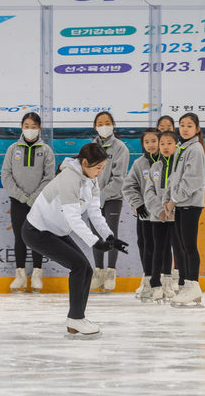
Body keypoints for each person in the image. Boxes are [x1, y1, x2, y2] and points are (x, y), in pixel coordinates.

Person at [22, 143, 129, 338]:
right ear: (85, 162)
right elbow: (73, 217)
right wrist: (95, 242)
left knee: (85, 268)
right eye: (98, 167)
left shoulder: (90, 179)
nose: (100, 172)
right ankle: (76, 319)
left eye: (103, 168)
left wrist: (109, 236)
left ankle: (76, 320)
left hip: (56, 230)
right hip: (37, 231)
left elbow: (95, 212)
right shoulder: (69, 178)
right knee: (79, 265)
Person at [1, 112, 55, 293]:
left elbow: (49, 177)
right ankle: (20, 275)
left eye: (33, 126)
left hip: (39, 202)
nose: (29, 130)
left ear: (39, 128)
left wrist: (35, 198)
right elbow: (6, 175)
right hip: (18, 201)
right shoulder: (12, 149)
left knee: (37, 238)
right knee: (20, 238)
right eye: (26, 126)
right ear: (21, 127)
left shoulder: (46, 150)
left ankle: (37, 275)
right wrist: (21, 197)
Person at [163, 113, 205, 308]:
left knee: (188, 246)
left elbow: (192, 180)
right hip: (181, 203)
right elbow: (174, 178)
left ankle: (193, 285)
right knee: (182, 246)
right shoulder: (182, 148)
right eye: (182, 125)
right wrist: (169, 199)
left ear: (197, 129)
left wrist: (174, 200)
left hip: (190, 203)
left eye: (189, 125)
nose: (185, 128)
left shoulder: (195, 149)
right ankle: (189, 288)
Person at [89, 111, 130, 292]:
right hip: (92, 199)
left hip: (113, 198)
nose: (104, 125)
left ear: (113, 125)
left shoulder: (121, 148)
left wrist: (103, 196)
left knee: (110, 233)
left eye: (107, 122)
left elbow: (119, 178)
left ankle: (111, 271)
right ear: (95, 127)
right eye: (100, 123)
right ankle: (98, 271)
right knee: (95, 234)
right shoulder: (90, 147)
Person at [141, 130, 179, 302]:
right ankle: (155, 283)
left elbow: (179, 189)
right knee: (158, 249)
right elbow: (148, 191)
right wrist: (160, 210)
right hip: (158, 215)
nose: (165, 147)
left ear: (176, 145)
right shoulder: (155, 167)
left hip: (176, 214)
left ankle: (169, 282)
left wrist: (171, 208)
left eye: (169, 143)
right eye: (162, 143)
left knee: (176, 249)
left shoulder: (180, 165)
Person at [122, 128, 160, 299]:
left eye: (154, 140)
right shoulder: (139, 163)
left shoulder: (169, 162)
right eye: (147, 142)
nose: (151, 145)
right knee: (146, 246)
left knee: (162, 247)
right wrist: (138, 204)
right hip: (145, 214)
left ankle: (164, 280)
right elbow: (129, 187)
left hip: (163, 214)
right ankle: (147, 277)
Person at [156, 115, 182, 287]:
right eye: (161, 126)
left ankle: (179, 276)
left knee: (178, 242)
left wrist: (172, 201)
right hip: (159, 206)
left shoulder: (181, 154)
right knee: (161, 244)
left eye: (169, 126)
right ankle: (164, 277)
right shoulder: (154, 156)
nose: (165, 129)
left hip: (177, 204)